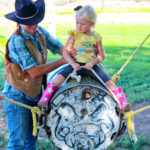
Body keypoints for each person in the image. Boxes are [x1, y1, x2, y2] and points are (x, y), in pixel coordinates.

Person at [0, 0, 76, 149]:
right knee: (17, 142)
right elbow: (34, 71)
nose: (34, 26)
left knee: (31, 140)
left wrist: (71, 54)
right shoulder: (16, 41)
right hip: (17, 95)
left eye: (36, 22)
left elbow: (58, 47)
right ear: (20, 22)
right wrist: (63, 61)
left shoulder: (40, 32)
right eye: (29, 24)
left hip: (34, 93)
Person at [38, 5, 132, 112]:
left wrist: (93, 62)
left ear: (91, 24)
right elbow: (65, 51)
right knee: (59, 77)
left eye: (82, 24)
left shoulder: (96, 37)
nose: (79, 26)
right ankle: (45, 99)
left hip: (91, 66)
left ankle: (123, 102)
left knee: (108, 81)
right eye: (77, 22)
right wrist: (73, 64)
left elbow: (102, 55)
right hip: (75, 64)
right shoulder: (74, 35)